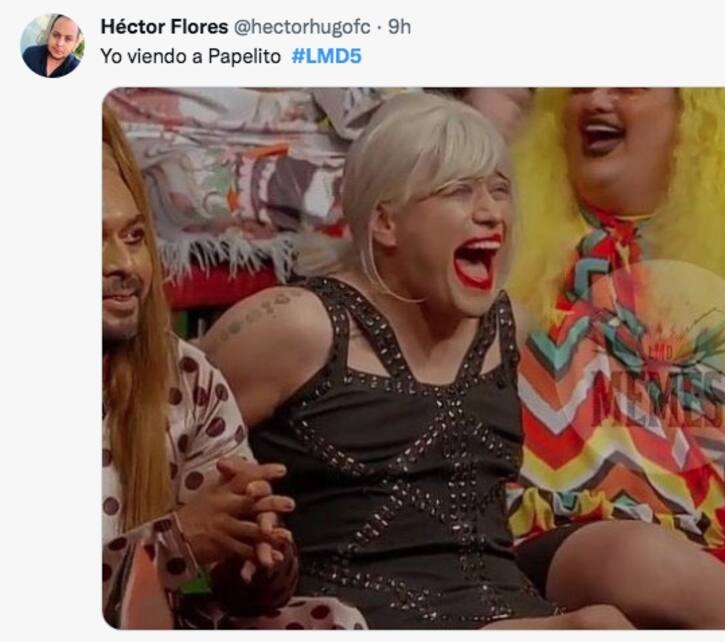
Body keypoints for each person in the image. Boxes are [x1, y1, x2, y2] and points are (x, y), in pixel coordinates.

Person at [200, 92, 632, 629]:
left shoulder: (508, 328)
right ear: (386, 222)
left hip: (505, 603)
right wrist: (222, 559)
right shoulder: (294, 325)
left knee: (648, 576)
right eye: (459, 190)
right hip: (350, 617)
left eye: (499, 190)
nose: (490, 212)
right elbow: (154, 450)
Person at [506, 88, 725, 628]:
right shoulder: (502, 244)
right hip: (561, 531)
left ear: (696, 117)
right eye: (579, 84)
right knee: (650, 567)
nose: (596, 99)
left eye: (627, 82)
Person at [101, 104, 366, 630]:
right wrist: (173, 546)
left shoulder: (187, 377)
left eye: (133, 238)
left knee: (331, 622)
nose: (125, 266)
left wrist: (249, 563)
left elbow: (203, 588)